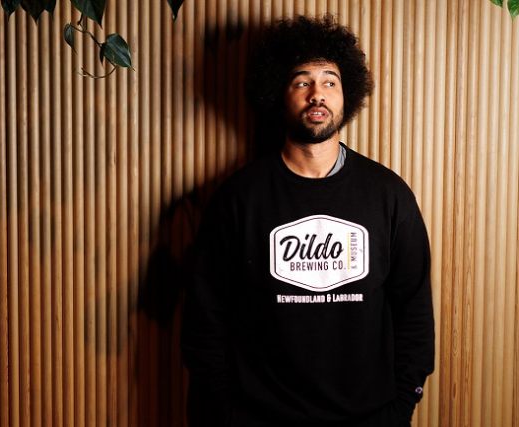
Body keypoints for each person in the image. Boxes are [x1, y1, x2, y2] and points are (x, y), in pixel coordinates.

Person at [181, 14, 435, 427]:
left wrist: (401, 404)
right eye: (302, 82)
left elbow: (414, 312)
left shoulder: (388, 196)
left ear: (347, 95)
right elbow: (205, 320)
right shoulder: (238, 199)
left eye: (330, 82)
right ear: (278, 94)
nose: (317, 94)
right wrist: (227, 413)